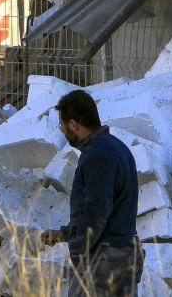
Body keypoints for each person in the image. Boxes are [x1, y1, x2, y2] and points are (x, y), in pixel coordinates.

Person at [42, 89, 144, 297]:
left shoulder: (97, 156)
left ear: (73, 124)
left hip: (102, 264)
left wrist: (79, 250)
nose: (61, 129)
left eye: (62, 124)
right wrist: (63, 234)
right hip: (123, 257)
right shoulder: (117, 148)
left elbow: (97, 213)